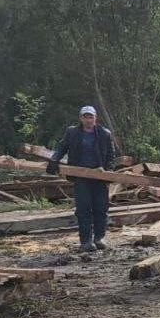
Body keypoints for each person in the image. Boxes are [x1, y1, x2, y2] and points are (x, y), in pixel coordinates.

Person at [47, 105, 115, 252]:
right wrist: (54, 160)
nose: (88, 119)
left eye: (91, 117)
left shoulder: (105, 134)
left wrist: (108, 172)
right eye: (85, 116)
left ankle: (99, 238)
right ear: (81, 118)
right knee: (83, 209)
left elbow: (110, 156)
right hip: (80, 177)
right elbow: (62, 147)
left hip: (99, 177)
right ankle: (85, 241)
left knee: (101, 209)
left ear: (95, 118)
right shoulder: (72, 132)